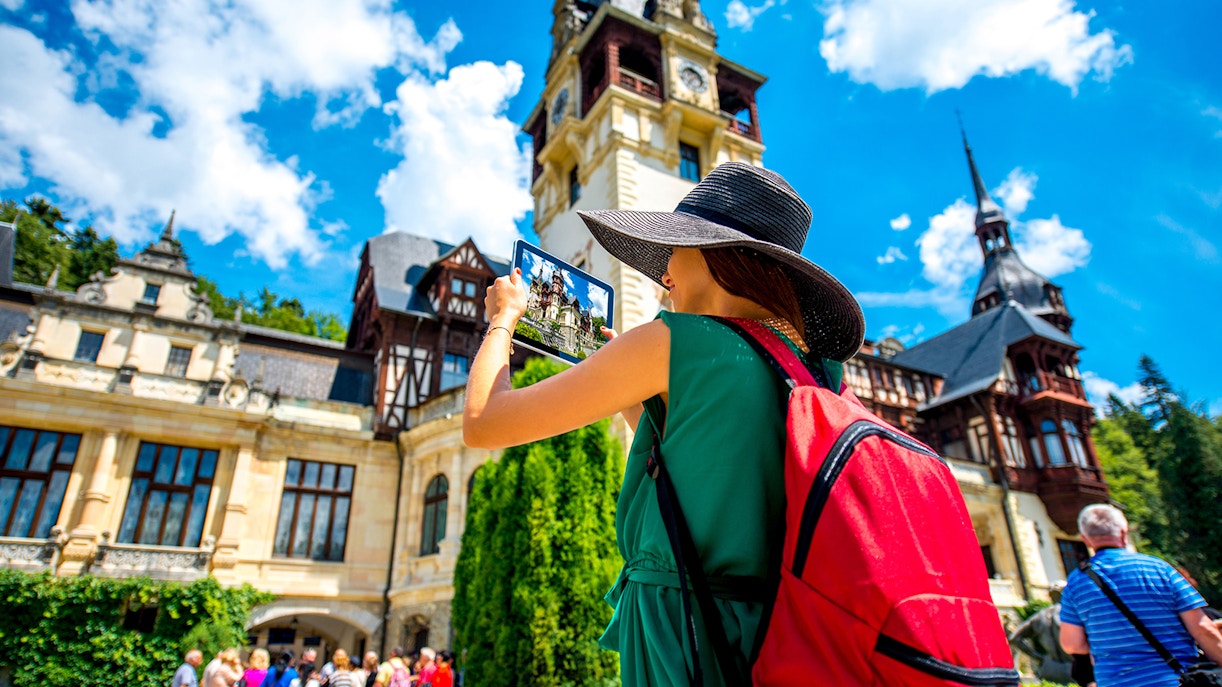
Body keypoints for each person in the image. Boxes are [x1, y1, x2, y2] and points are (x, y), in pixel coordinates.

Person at [464, 162, 865, 684]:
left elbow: (483, 422)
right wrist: (628, 385)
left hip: (686, 627)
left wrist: (504, 318)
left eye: (675, 247)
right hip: (781, 629)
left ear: (713, 254)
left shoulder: (670, 340)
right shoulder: (812, 368)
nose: (665, 272)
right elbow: (699, 462)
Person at [1059, 503, 1222, 686]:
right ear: (1123, 532)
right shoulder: (1158, 568)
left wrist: (1110, 642)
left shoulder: (1076, 583)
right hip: (1174, 680)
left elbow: (1071, 643)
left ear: (1086, 539)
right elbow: (1203, 629)